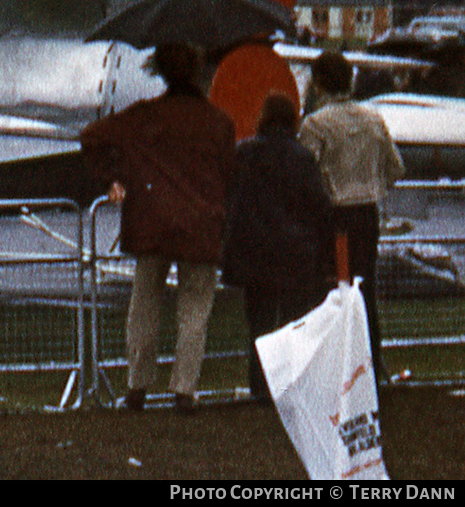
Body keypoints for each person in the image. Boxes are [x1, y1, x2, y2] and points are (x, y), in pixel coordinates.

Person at [79, 43, 236, 414]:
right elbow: (230, 174)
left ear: (159, 72)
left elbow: (92, 137)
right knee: (195, 310)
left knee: (144, 305)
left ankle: (137, 386)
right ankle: (184, 389)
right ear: (198, 72)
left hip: (152, 220)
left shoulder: (144, 116)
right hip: (201, 224)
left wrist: (113, 177)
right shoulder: (218, 122)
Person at [221, 94, 334, 402]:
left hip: (254, 252)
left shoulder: (244, 153)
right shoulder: (301, 157)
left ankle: (260, 388)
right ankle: (292, 387)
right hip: (295, 252)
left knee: (260, 327)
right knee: (295, 324)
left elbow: (232, 199)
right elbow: (318, 204)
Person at [300, 51, 405, 380]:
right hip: (368, 215)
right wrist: (373, 185)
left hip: (335, 219)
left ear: (318, 84)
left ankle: (334, 371)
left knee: (332, 292)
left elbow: (304, 174)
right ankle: (373, 365)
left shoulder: (317, 124)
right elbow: (396, 168)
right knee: (365, 291)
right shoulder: (373, 118)